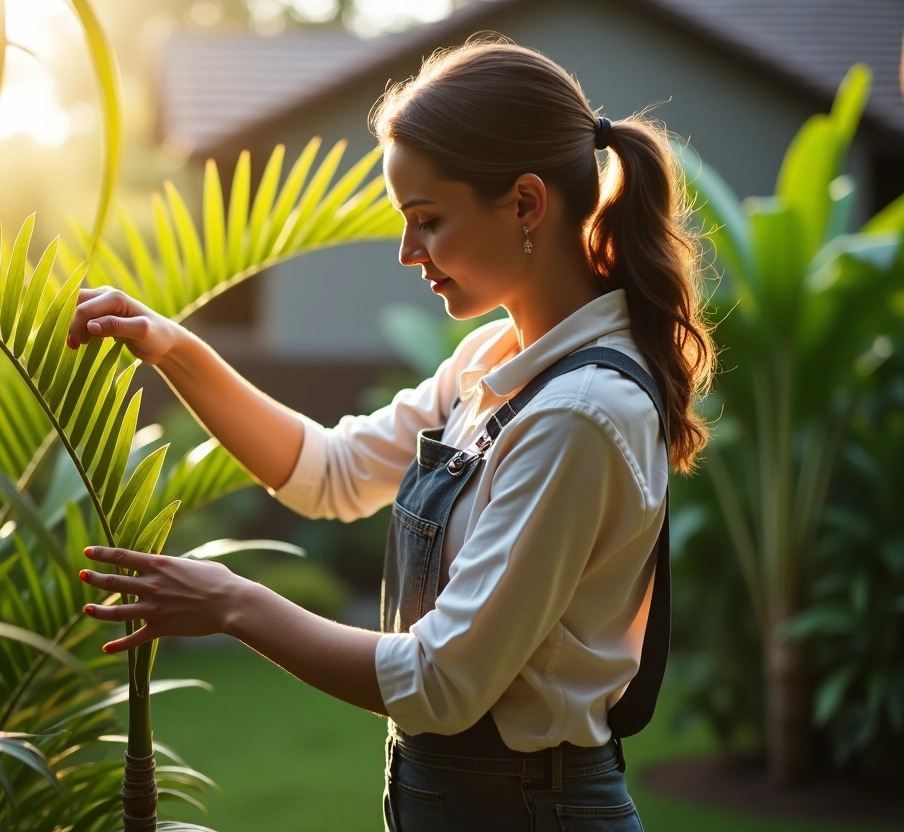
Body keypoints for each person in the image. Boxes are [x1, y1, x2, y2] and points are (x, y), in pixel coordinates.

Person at [66, 38, 713, 830]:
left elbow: (441, 682)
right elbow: (329, 472)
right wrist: (174, 348)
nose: (410, 254)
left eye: (428, 221)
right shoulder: (493, 360)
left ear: (525, 203)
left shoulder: (579, 413)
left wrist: (234, 605)